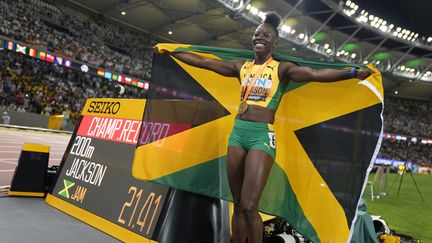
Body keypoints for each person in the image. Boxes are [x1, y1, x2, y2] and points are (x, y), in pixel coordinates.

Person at [157, 12, 373, 243]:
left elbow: (315, 74)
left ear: (274, 42)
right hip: (237, 134)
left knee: (251, 206)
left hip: (261, 137)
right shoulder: (242, 67)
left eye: (265, 35)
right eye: (257, 34)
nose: (259, 37)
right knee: (238, 205)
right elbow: (205, 62)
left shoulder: (281, 69)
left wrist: (351, 72)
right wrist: (173, 52)